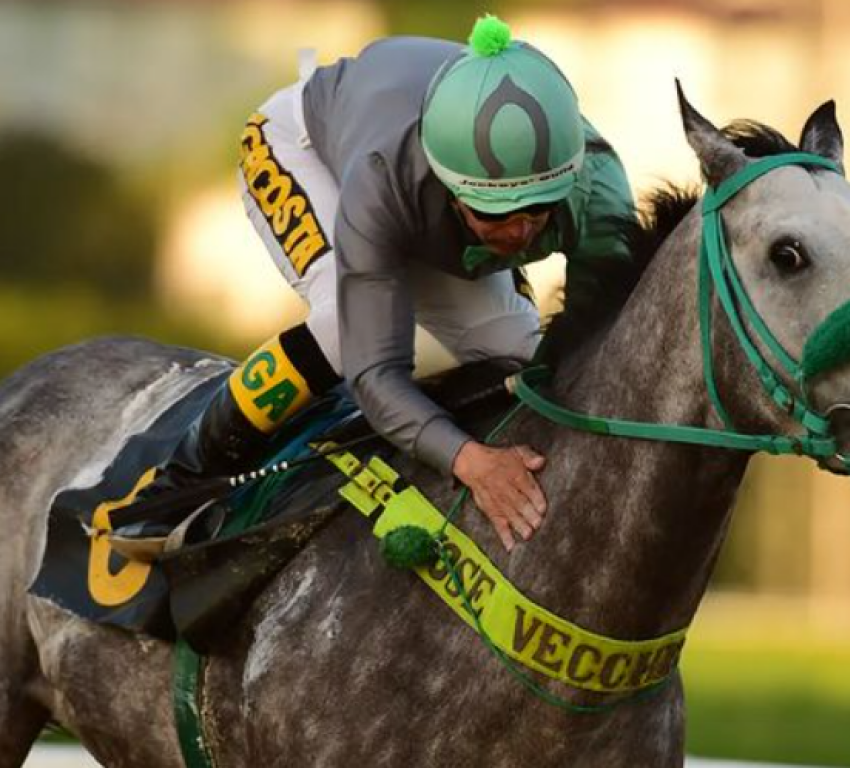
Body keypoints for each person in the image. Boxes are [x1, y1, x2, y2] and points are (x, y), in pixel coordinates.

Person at [117, 15, 635, 553]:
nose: (521, 231)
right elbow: (377, 371)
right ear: (453, 187)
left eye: (539, 210)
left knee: (523, 354)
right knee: (343, 332)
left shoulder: (597, 188)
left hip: (421, 206)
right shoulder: (383, 177)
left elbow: (594, 352)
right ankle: (179, 482)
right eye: (495, 212)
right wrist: (469, 462)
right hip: (305, 150)